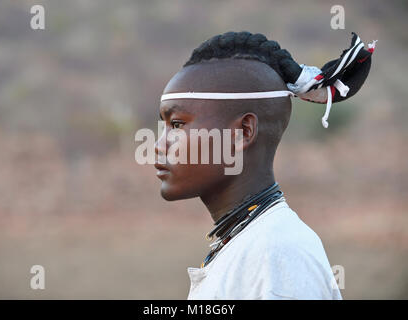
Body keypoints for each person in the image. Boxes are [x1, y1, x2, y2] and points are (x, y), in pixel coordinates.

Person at [154, 31, 375, 299]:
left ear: (243, 132)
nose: (159, 145)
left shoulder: (277, 255)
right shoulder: (250, 244)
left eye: (176, 124)